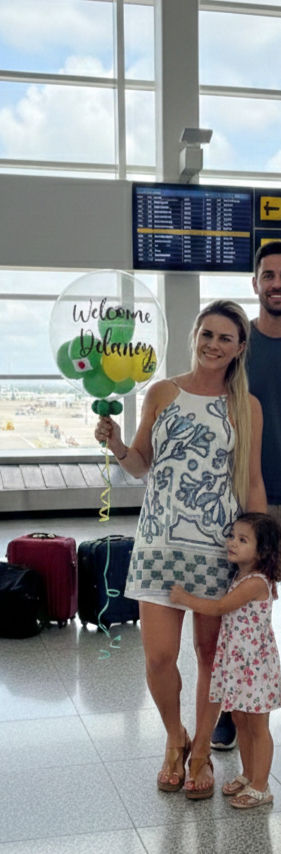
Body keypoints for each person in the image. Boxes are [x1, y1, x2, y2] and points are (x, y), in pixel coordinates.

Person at [94, 299, 267, 800]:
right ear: (194, 335)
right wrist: (117, 444)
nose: (214, 345)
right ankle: (175, 737)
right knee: (158, 657)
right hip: (158, 543)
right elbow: (141, 464)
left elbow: (252, 481)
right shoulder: (162, 392)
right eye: (207, 334)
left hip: (218, 549)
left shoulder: (246, 407)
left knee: (210, 653)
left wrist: (261, 556)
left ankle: (201, 754)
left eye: (225, 339)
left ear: (238, 349)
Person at [212, 240, 281, 751]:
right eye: (270, 275)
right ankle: (233, 712)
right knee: (241, 609)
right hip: (250, 494)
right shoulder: (240, 346)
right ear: (255, 284)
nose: (278, 284)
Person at [170, 511, 281, 808]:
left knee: (258, 728)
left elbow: (220, 607)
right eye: (232, 536)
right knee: (241, 721)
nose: (231, 542)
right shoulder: (241, 574)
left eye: (242, 540)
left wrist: (185, 598)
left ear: (263, 551)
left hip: (255, 668)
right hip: (240, 665)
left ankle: (261, 785)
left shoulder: (257, 582)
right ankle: (247, 774)